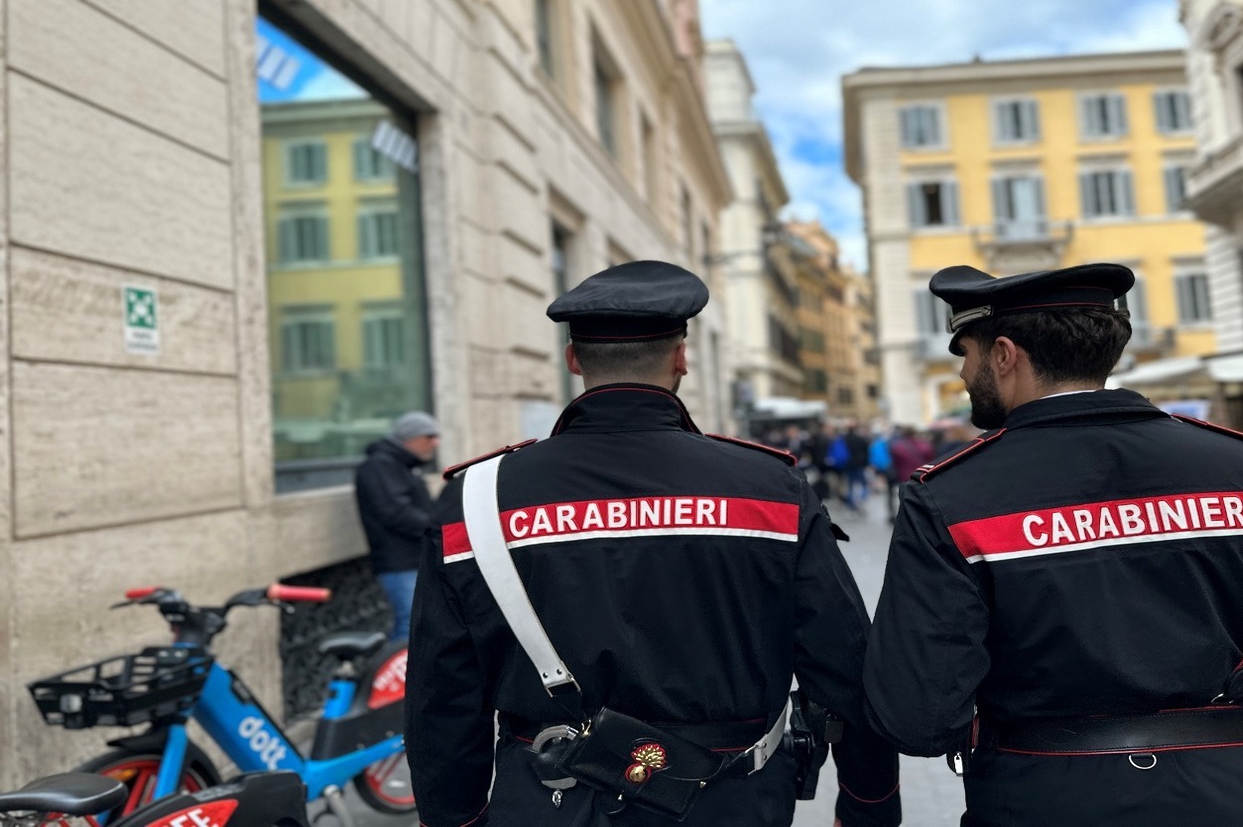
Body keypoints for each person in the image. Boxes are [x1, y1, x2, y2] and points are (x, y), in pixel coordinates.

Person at [864, 263, 1243, 827]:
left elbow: (916, 716)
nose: (965, 372)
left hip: (1044, 797)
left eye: (966, 353)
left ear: (1004, 354)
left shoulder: (952, 496)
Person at [405, 261, 900, 827]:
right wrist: (869, 802)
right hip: (731, 802)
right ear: (680, 357)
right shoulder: (770, 490)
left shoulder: (476, 501)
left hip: (548, 800)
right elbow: (843, 662)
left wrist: (455, 818)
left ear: (573, 361)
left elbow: (440, 698)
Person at [354, 410, 440, 640]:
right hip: (400, 563)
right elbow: (396, 513)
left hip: (414, 559)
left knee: (418, 623)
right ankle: (400, 675)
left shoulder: (404, 465)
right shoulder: (380, 466)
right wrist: (439, 529)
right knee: (410, 625)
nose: (435, 442)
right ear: (409, 437)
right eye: (429, 436)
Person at [886, 427, 932, 525]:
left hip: (904, 477)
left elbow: (895, 464)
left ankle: (907, 520)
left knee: (906, 499)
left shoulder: (897, 447)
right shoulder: (925, 445)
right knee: (922, 499)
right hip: (922, 477)